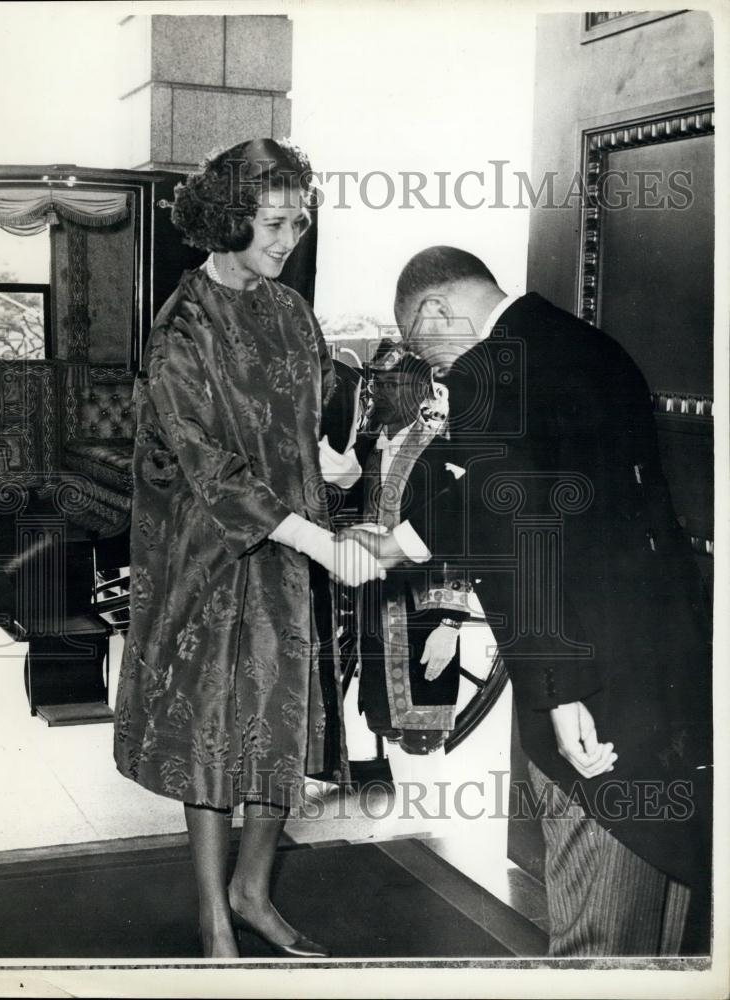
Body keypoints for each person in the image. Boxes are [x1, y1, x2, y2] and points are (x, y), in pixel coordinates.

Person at [349, 245, 712, 956]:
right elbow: (507, 489)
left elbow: (520, 540)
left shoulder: (491, 368)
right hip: (659, 652)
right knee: (666, 894)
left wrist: (559, 690)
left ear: (435, 310)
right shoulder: (585, 345)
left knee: (599, 921)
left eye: (432, 356)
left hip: (586, 671)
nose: (438, 373)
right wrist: (399, 545)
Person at [113, 138, 382, 959]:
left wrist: (333, 469)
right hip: (205, 557)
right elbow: (202, 460)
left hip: (287, 555)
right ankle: (212, 915)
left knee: (279, 720)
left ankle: (253, 891)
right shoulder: (181, 325)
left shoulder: (291, 311)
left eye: (298, 223)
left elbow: (297, 431)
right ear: (229, 217)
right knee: (211, 731)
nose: (287, 239)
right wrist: (312, 534)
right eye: (272, 222)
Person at [347, 345, 467, 755]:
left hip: (423, 616)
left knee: (422, 737)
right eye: (375, 381)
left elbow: (457, 540)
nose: (376, 391)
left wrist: (449, 625)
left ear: (417, 392)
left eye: (388, 383)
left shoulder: (439, 450)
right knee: (381, 718)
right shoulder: (366, 447)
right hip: (375, 611)